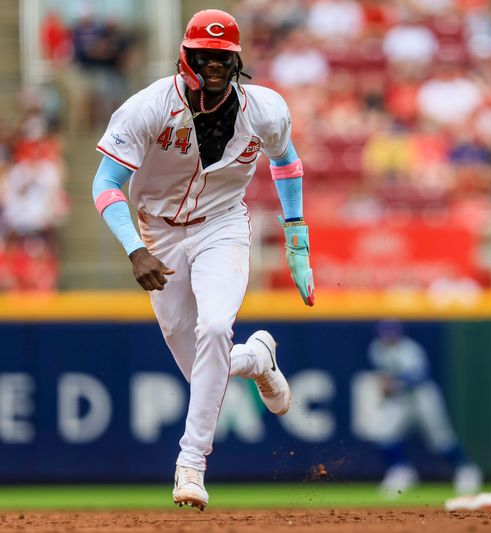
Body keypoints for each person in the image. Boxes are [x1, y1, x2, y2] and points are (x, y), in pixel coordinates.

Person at [91, 9, 314, 511]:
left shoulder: (266, 108)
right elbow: (104, 184)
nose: (213, 63)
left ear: (235, 60)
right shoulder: (146, 107)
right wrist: (135, 248)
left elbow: (287, 162)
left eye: (223, 56)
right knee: (202, 376)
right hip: (158, 233)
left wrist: (297, 238)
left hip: (223, 227)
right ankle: (258, 358)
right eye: (204, 54)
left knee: (214, 328)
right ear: (187, 55)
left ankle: (191, 463)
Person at [368, 320, 482, 497]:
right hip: (400, 400)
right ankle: (401, 472)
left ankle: (466, 470)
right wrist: (386, 385)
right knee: (383, 432)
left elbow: (419, 376)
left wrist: (393, 382)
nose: (388, 337)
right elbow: (382, 375)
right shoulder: (376, 348)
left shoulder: (409, 349)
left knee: (440, 438)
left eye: (392, 333)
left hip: (422, 395)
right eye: (385, 333)